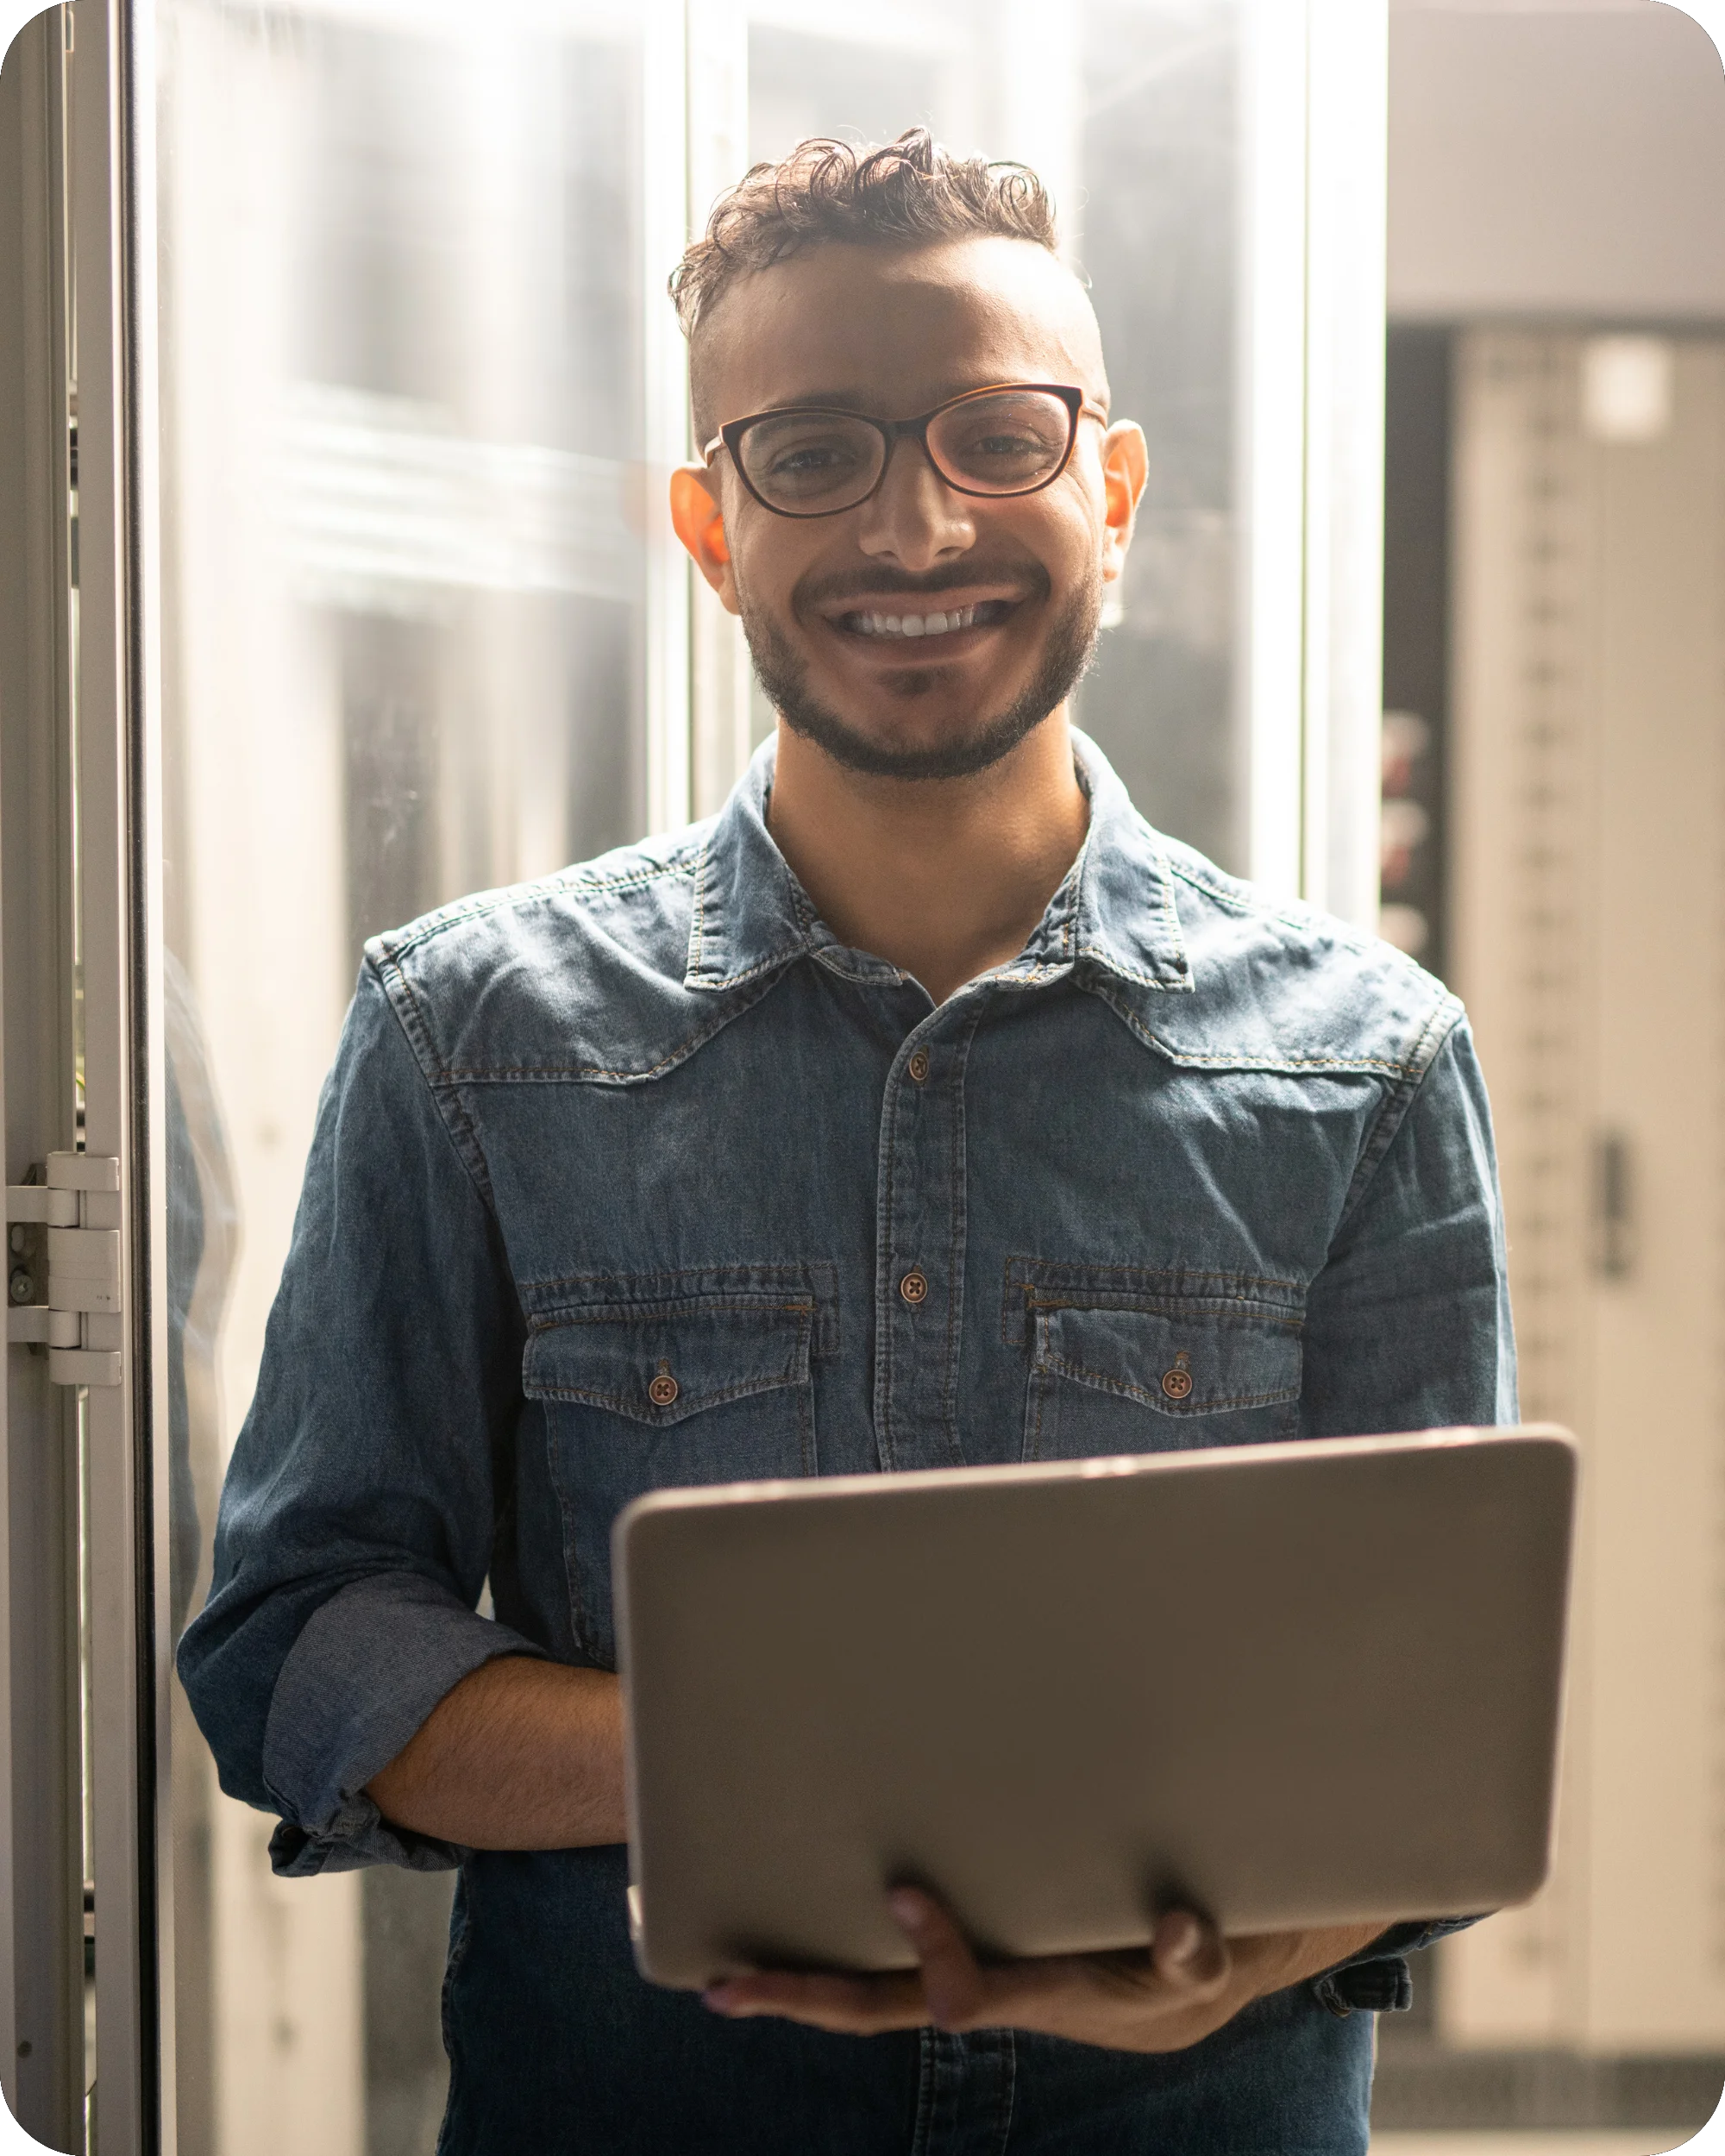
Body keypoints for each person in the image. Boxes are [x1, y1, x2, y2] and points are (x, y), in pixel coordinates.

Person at [179, 131, 1514, 2154]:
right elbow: (302, 1643)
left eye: (996, 435)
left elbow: (1435, 1731)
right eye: (811, 453)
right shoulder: (472, 1035)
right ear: (710, 525)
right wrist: (777, 1752)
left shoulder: (1372, 1062)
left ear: (1113, 493)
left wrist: (1237, 1956)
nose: (914, 523)